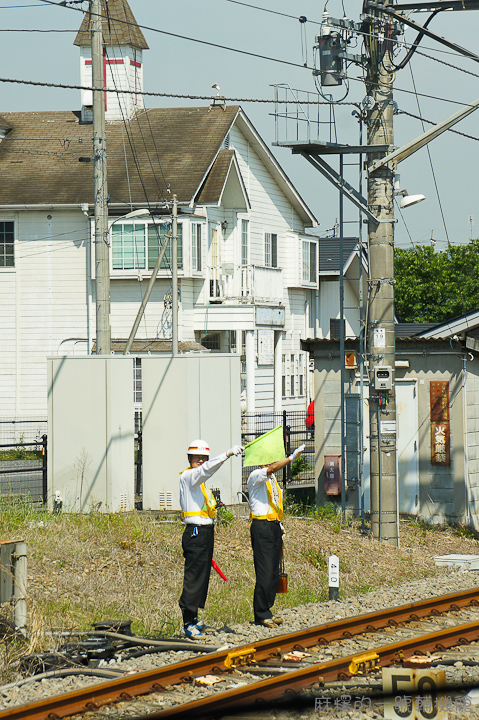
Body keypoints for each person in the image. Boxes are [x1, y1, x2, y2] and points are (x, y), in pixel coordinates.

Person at [179, 438, 243, 639]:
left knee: (202, 576)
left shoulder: (201, 483)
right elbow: (204, 471)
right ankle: (188, 622)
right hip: (195, 531)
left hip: (206, 531)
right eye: (197, 458)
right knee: (194, 576)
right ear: (189, 458)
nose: (200, 461)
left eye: (203, 457)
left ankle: (194, 618)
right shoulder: (189, 476)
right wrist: (226, 454)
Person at [247, 443, 305, 628]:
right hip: (261, 526)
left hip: (273, 526)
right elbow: (271, 469)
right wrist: (291, 459)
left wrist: (280, 526)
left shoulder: (272, 480)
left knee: (273, 572)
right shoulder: (256, 476)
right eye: (269, 460)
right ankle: (260, 613)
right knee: (264, 572)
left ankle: (267, 610)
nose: (272, 463)